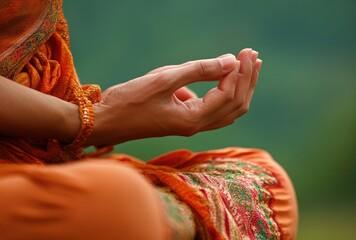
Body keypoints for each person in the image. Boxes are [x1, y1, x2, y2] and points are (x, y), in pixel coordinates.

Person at [0, 0, 298, 239]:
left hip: (32, 162)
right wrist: (95, 120)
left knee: (261, 182)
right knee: (121, 203)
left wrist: (118, 109)